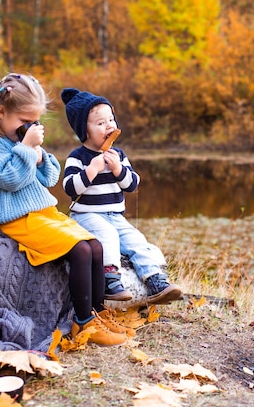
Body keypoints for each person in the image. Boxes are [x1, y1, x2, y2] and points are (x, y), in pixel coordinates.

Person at [0, 73, 134, 347]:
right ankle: (83, 323)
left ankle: (97, 315)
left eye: (34, 122)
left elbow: (49, 179)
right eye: (24, 122)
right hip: (18, 219)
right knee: (80, 250)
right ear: (1, 112)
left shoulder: (20, 142)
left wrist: (40, 155)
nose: (29, 127)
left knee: (94, 245)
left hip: (44, 213)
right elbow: (8, 179)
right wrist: (25, 148)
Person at [61, 87, 183, 305]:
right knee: (107, 235)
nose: (109, 125)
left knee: (136, 240)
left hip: (115, 215)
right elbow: (70, 188)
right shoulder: (77, 157)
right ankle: (110, 280)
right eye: (100, 123)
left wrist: (118, 169)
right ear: (85, 130)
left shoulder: (118, 155)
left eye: (111, 119)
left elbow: (132, 185)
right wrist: (91, 169)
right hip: (86, 215)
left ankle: (155, 280)